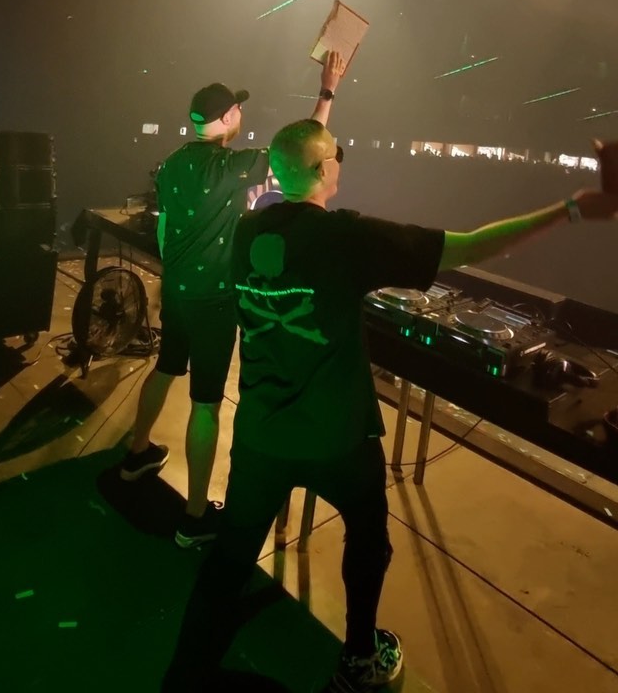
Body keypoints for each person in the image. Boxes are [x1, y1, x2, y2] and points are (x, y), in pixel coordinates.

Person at [161, 118, 618, 692]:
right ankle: (358, 658)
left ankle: (185, 673)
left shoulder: (247, 229)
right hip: (337, 438)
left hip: (260, 435)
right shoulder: (347, 237)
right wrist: (570, 210)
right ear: (325, 169)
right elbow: (470, 246)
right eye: (336, 156)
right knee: (368, 541)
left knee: (229, 559)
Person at [119, 53, 347, 549]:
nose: (242, 114)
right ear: (224, 119)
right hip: (213, 302)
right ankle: (195, 517)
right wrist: (327, 91)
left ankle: (137, 453)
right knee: (205, 404)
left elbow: (163, 230)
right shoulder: (228, 166)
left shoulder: (173, 162)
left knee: (165, 368)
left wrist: (172, 278)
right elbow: (301, 149)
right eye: (238, 109)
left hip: (178, 288)